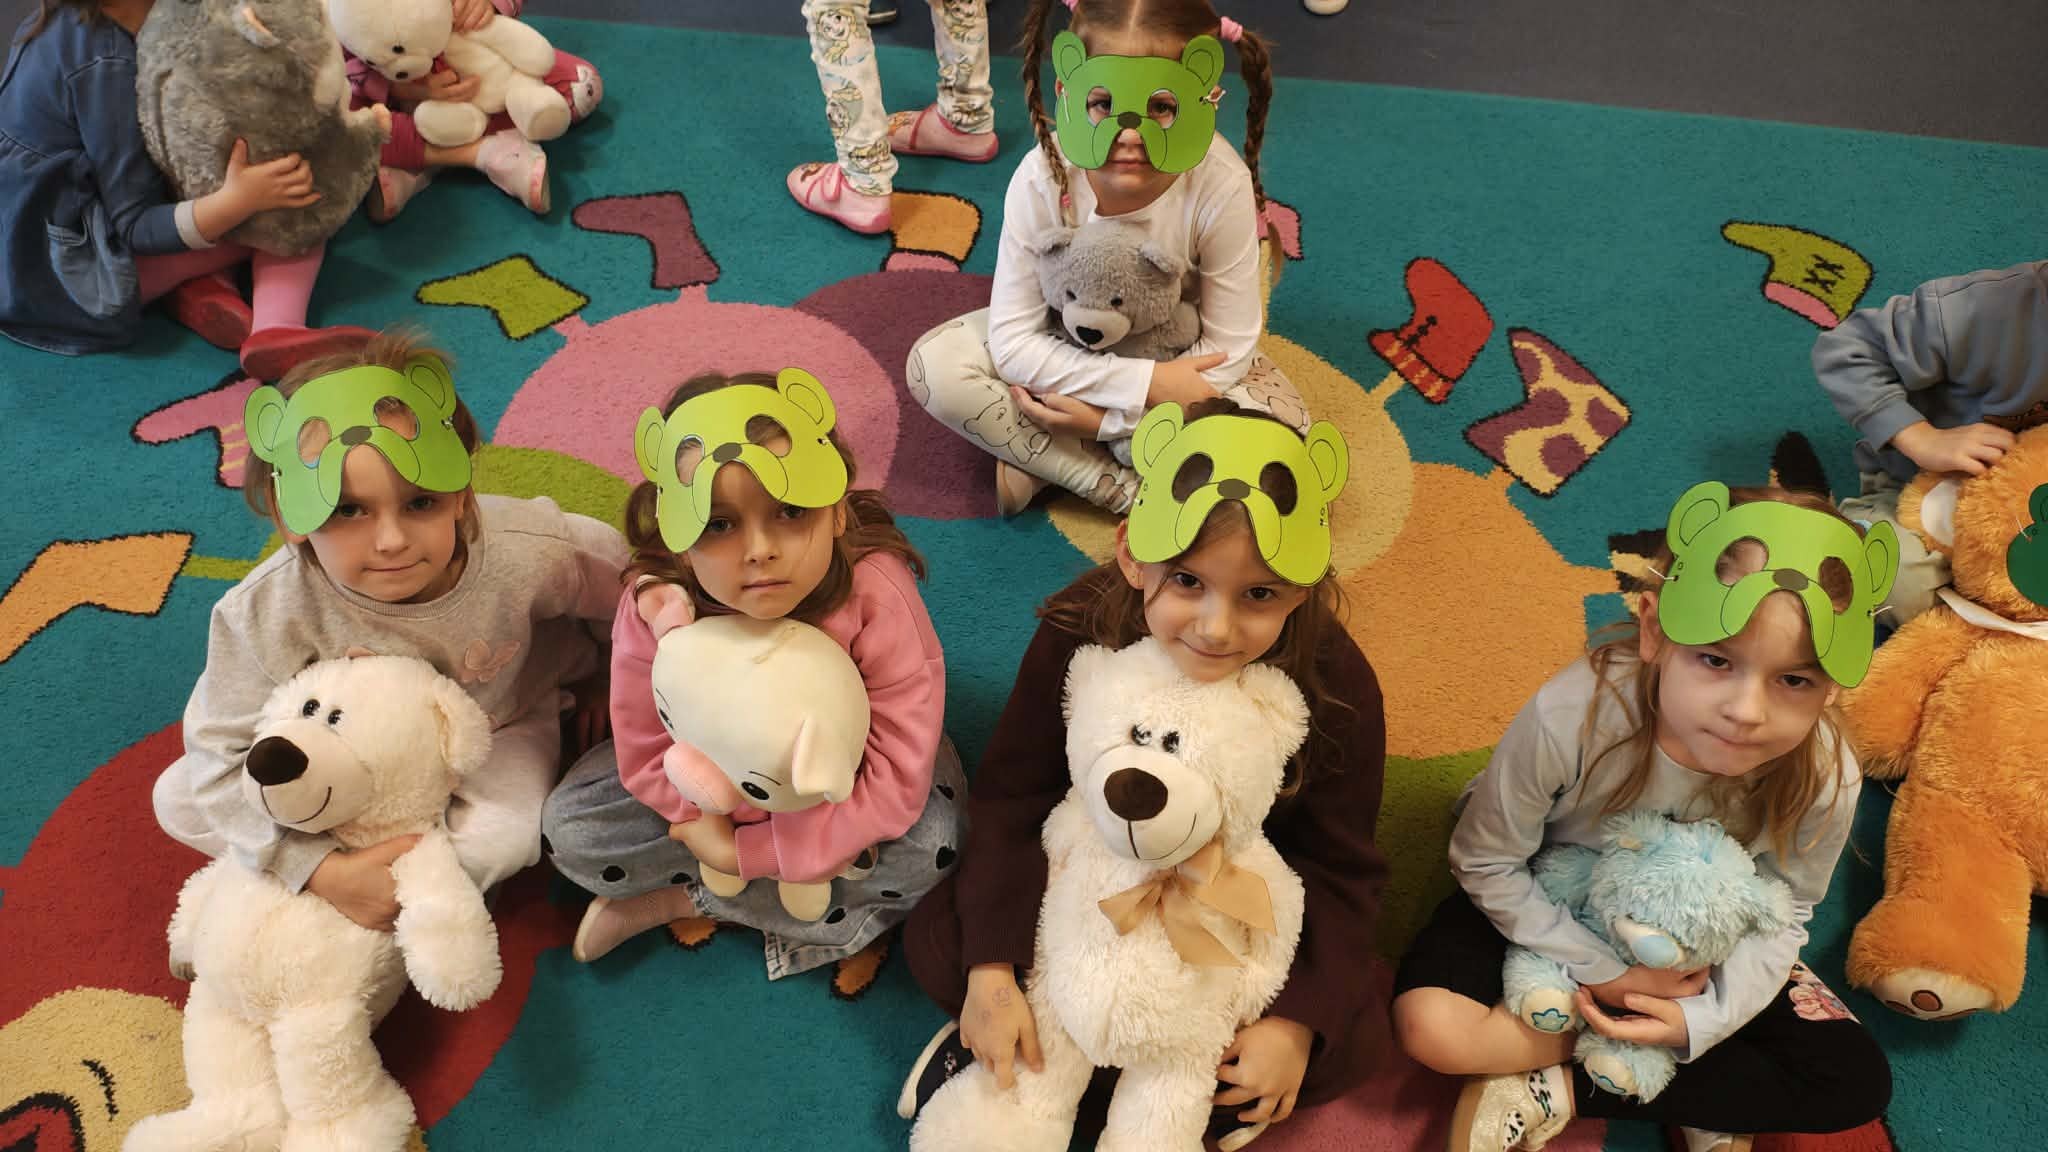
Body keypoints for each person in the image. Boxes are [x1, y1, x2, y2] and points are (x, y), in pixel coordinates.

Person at [1392, 485, 1894, 1152]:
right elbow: (1485, 860)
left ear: (1833, 683)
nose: (1747, 711)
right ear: (1655, 629)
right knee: (1433, 1027)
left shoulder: (1828, 773)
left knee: (1855, 1080)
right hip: (1549, 898)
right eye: (1716, 660)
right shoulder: (1571, 715)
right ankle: (1676, 1081)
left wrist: (1702, 1019)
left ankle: (1558, 1085)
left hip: (1699, 942)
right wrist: (1607, 973)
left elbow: (1788, 908)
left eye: (1795, 681)